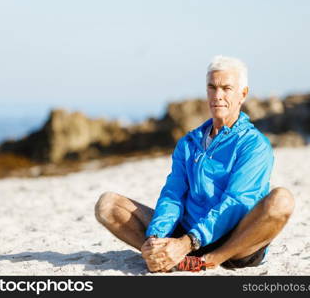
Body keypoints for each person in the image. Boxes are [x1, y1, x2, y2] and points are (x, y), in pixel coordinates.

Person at [95, 55, 295, 273]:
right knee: (108, 205)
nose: (218, 96)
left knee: (282, 200)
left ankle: (207, 261)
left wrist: (189, 242)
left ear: (242, 94)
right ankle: (164, 257)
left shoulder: (254, 144)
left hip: (234, 242)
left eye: (226, 88)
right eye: (212, 87)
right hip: (186, 236)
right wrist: (156, 237)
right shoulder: (189, 142)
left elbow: (238, 201)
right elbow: (173, 194)